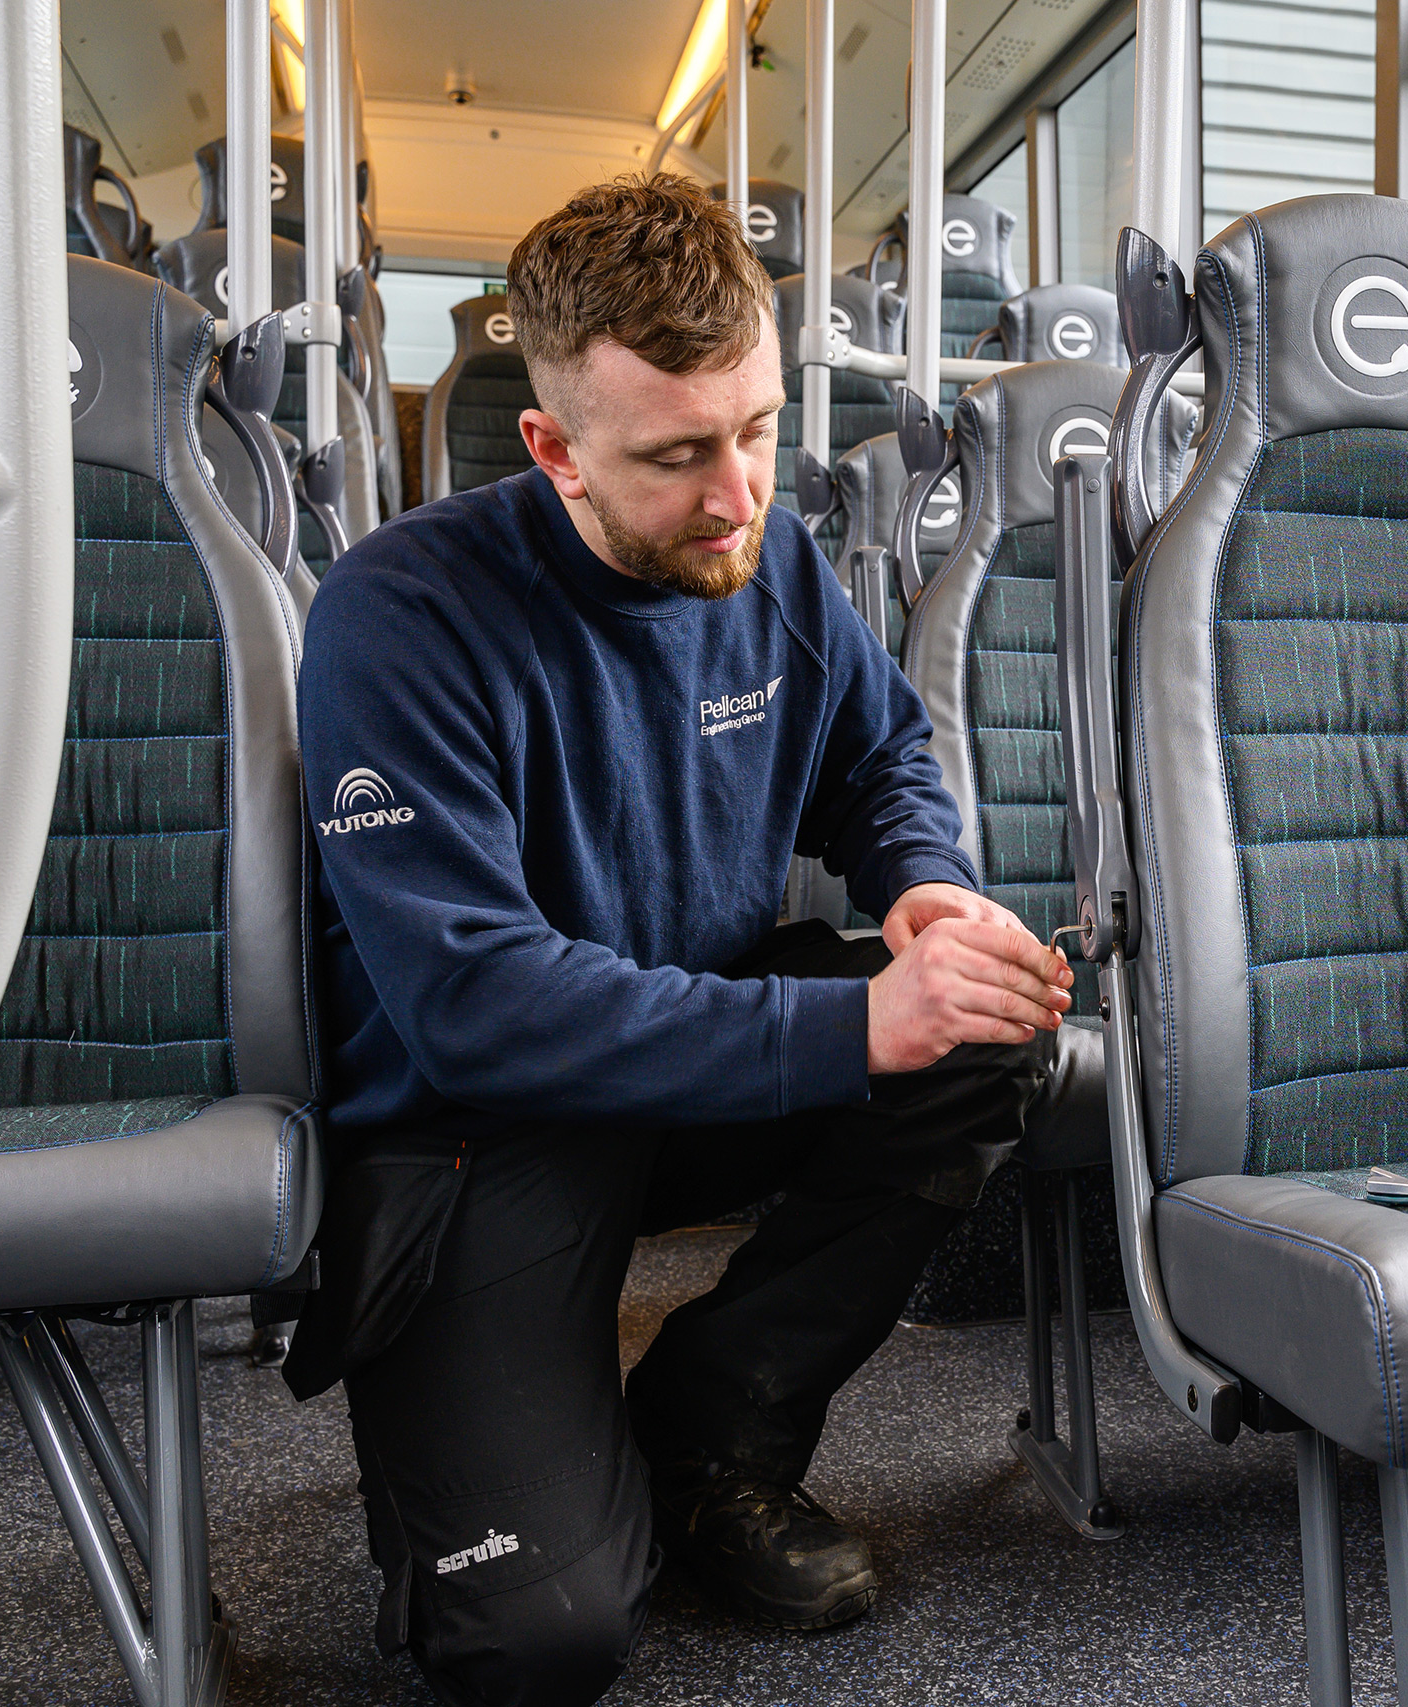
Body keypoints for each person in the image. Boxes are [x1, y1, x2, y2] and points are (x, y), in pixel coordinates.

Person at [282, 173, 1070, 1707]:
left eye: (760, 429)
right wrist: (849, 1027)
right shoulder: (402, 615)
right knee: (544, 1640)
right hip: (479, 1131)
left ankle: (711, 1434)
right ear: (553, 447)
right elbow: (475, 1006)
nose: (736, 494)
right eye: (677, 456)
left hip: (689, 1059)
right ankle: (494, 1467)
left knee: (985, 1038)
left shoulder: (764, 556)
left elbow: (880, 758)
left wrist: (920, 883)